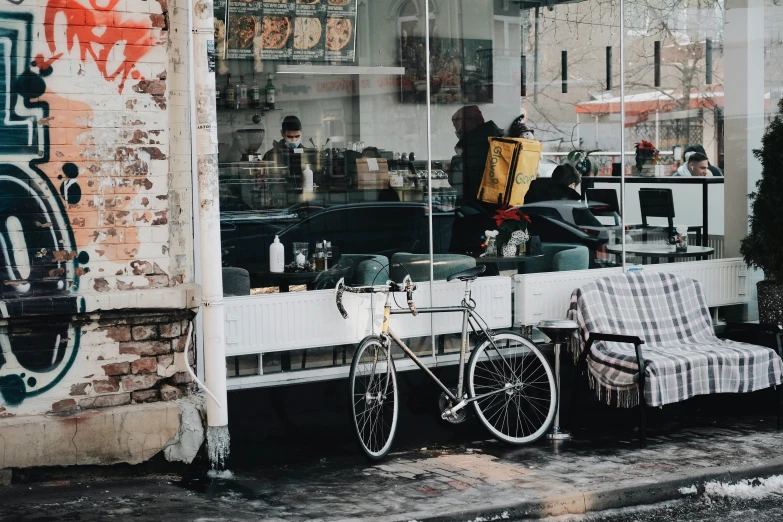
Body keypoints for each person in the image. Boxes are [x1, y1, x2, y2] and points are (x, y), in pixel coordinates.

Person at [451, 105, 502, 209]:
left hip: (477, 206)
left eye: (457, 126)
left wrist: (455, 162)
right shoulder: (496, 139)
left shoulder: (472, 144)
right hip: (495, 203)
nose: (457, 132)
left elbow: (458, 180)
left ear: (465, 124)